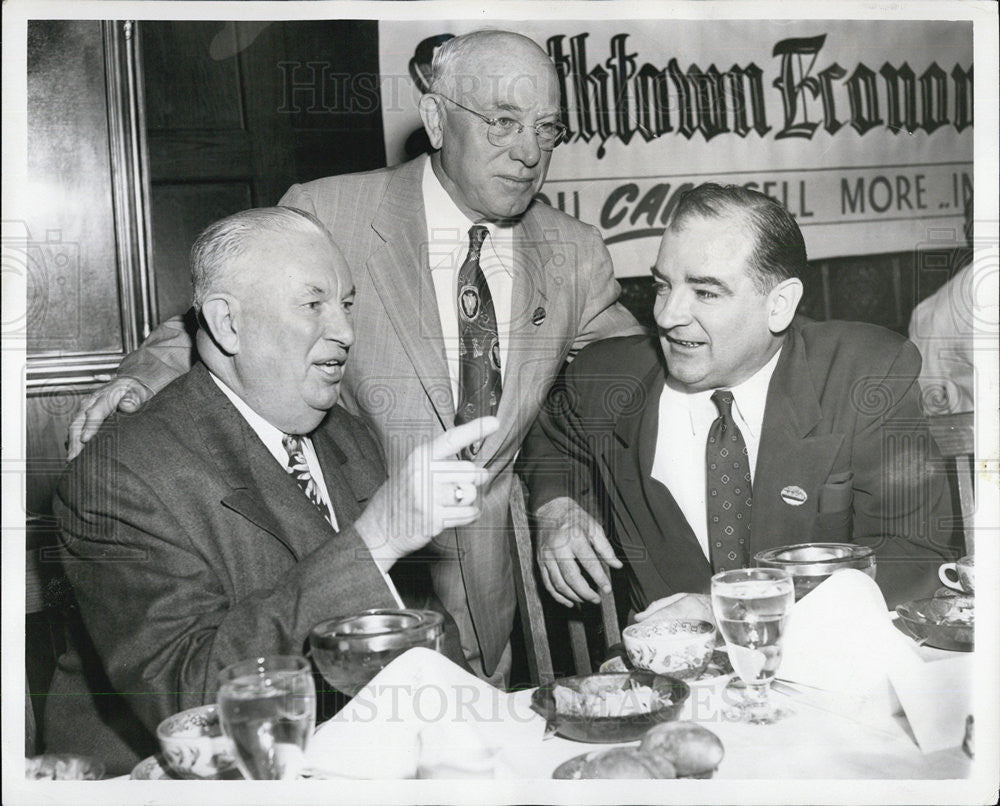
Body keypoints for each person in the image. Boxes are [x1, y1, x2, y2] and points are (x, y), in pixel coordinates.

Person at [65, 30, 643, 683]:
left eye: (547, 128)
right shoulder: (329, 208)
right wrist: (145, 371)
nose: (528, 152)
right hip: (330, 575)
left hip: (483, 586)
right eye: (503, 122)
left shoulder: (573, 252)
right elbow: (235, 302)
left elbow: (621, 383)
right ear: (434, 119)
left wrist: (562, 494)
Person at [49, 207, 497, 774]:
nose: (346, 332)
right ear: (228, 323)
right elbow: (193, 698)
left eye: (348, 304)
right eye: (314, 305)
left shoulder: (347, 435)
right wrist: (377, 537)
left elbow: (414, 624)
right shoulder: (118, 478)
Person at [521, 184, 956, 619]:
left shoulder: (864, 374)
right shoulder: (606, 377)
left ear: (779, 305)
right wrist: (557, 508)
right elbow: (553, 439)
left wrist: (738, 609)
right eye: (662, 285)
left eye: (705, 292)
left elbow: (915, 554)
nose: (667, 316)